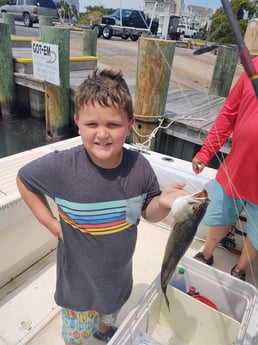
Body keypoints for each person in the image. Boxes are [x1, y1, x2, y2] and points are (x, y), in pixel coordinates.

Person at [16, 69, 187, 345]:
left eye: (113, 124)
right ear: (77, 123)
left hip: (119, 278)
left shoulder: (139, 167)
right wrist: (50, 224)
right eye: (92, 124)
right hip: (78, 286)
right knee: (76, 337)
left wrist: (163, 203)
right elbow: (24, 179)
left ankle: (105, 331)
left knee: (110, 313)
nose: (103, 134)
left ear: (129, 124)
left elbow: (148, 212)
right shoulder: (62, 166)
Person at [192, 57, 258, 281]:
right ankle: (206, 254)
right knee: (217, 214)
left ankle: (239, 270)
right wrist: (206, 152)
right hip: (236, 171)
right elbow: (228, 114)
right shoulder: (253, 68)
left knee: (257, 236)